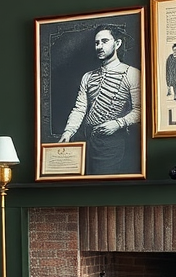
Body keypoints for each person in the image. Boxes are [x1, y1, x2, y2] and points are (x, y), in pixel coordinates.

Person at [59, 24, 141, 175]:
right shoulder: (88, 76)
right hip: (87, 140)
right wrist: (68, 132)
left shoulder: (132, 74)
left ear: (117, 44)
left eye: (104, 41)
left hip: (112, 142)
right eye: (97, 43)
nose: (99, 46)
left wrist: (118, 123)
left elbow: (141, 110)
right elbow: (80, 108)